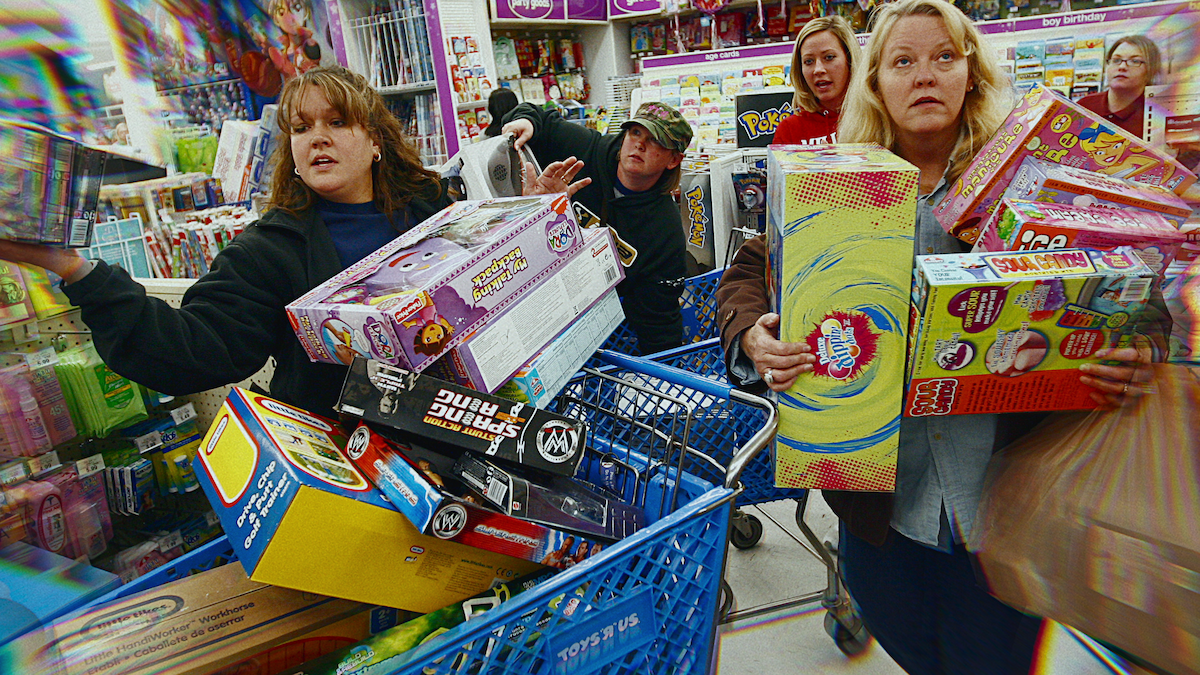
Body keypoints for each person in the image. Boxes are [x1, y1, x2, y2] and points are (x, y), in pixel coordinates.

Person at [716, 1, 1150, 672]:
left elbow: (1131, 289)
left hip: (1007, 502)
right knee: (910, 640)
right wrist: (754, 335)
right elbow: (746, 271)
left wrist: (1134, 347)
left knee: (993, 658)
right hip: (883, 506)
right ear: (877, 83)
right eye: (903, 61)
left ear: (971, 74)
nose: (925, 75)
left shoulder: (1031, 182)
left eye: (945, 57)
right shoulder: (839, 183)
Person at [0, 66, 588, 417]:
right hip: (353, 465)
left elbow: (507, 300)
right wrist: (79, 271)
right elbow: (193, 350)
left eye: (337, 122)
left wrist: (527, 217)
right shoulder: (268, 251)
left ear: (376, 141)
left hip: (471, 438)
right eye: (301, 129)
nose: (317, 140)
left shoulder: (433, 211)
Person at [502, 101, 691, 355]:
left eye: (656, 141)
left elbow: (659, 319)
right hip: (528, 290)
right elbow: (537, 117)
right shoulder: (587, 149)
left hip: (594, 328)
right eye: (635, 132)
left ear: (673, 160)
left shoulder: (664, 231)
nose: (640, 145)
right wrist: (526, 122)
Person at [772, 15, 859, 146]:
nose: (818, 69)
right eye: (809, 61)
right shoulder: (789, 130)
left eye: (829, 57)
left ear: (850, 59)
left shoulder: (874, 117)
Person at [1077, 36, 1160, 139]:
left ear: (1151, 69)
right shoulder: (1084, 106)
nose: (1122, 67)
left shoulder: (1157, 114)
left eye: (1135, 61)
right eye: (1116, 60)